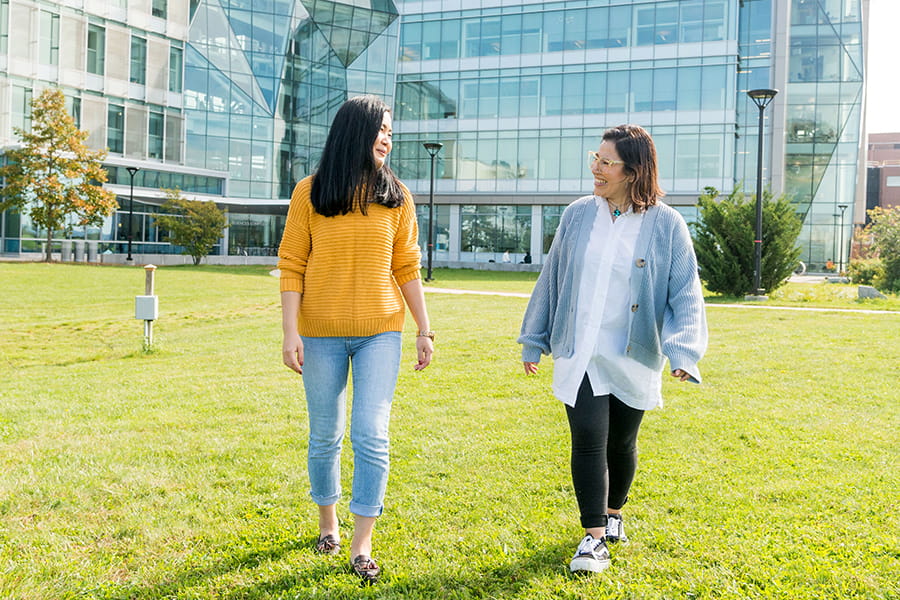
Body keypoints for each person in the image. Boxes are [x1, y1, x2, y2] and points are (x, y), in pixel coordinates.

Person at [518, 124, 707, 575]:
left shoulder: (666, 223)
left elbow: (685, 292)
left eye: (607, 162)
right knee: (588, 438)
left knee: (622, 441)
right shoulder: (578, 214)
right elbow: (553, 276)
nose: (596, 168)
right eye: (595, 158)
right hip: (580, 346)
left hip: (632, 351)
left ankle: (615, 512)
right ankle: (594, 538)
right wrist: (534, 336)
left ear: (634, 171)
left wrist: (683, 350)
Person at [278, 95, 434, 584]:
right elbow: (291, 264)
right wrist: (289, 333)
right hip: (319, 333)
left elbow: (407, 266)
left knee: (371, 433)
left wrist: (424, 329)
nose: (388, 138)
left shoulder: (397, 196)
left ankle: (362, 544)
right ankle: (328, 525)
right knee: (326, 435)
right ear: (355, 132)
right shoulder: (310, 192)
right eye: (381, 129)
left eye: (391, 130)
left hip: (380, 332)